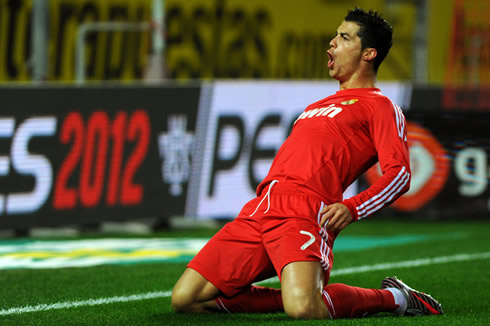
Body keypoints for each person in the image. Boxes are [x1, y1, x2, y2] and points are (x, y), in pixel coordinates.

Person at [171, 7, 444, 319]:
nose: (331, 43)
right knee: (186, 298)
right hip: (261, 207)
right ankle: (295, 296)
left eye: (343, 38)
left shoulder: (380, 106)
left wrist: (353, 207)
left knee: (303, 309)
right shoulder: (317, 106)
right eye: (335, 36)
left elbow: (400, 175)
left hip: (306, 212)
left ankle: (395, 298)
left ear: (369, 53)